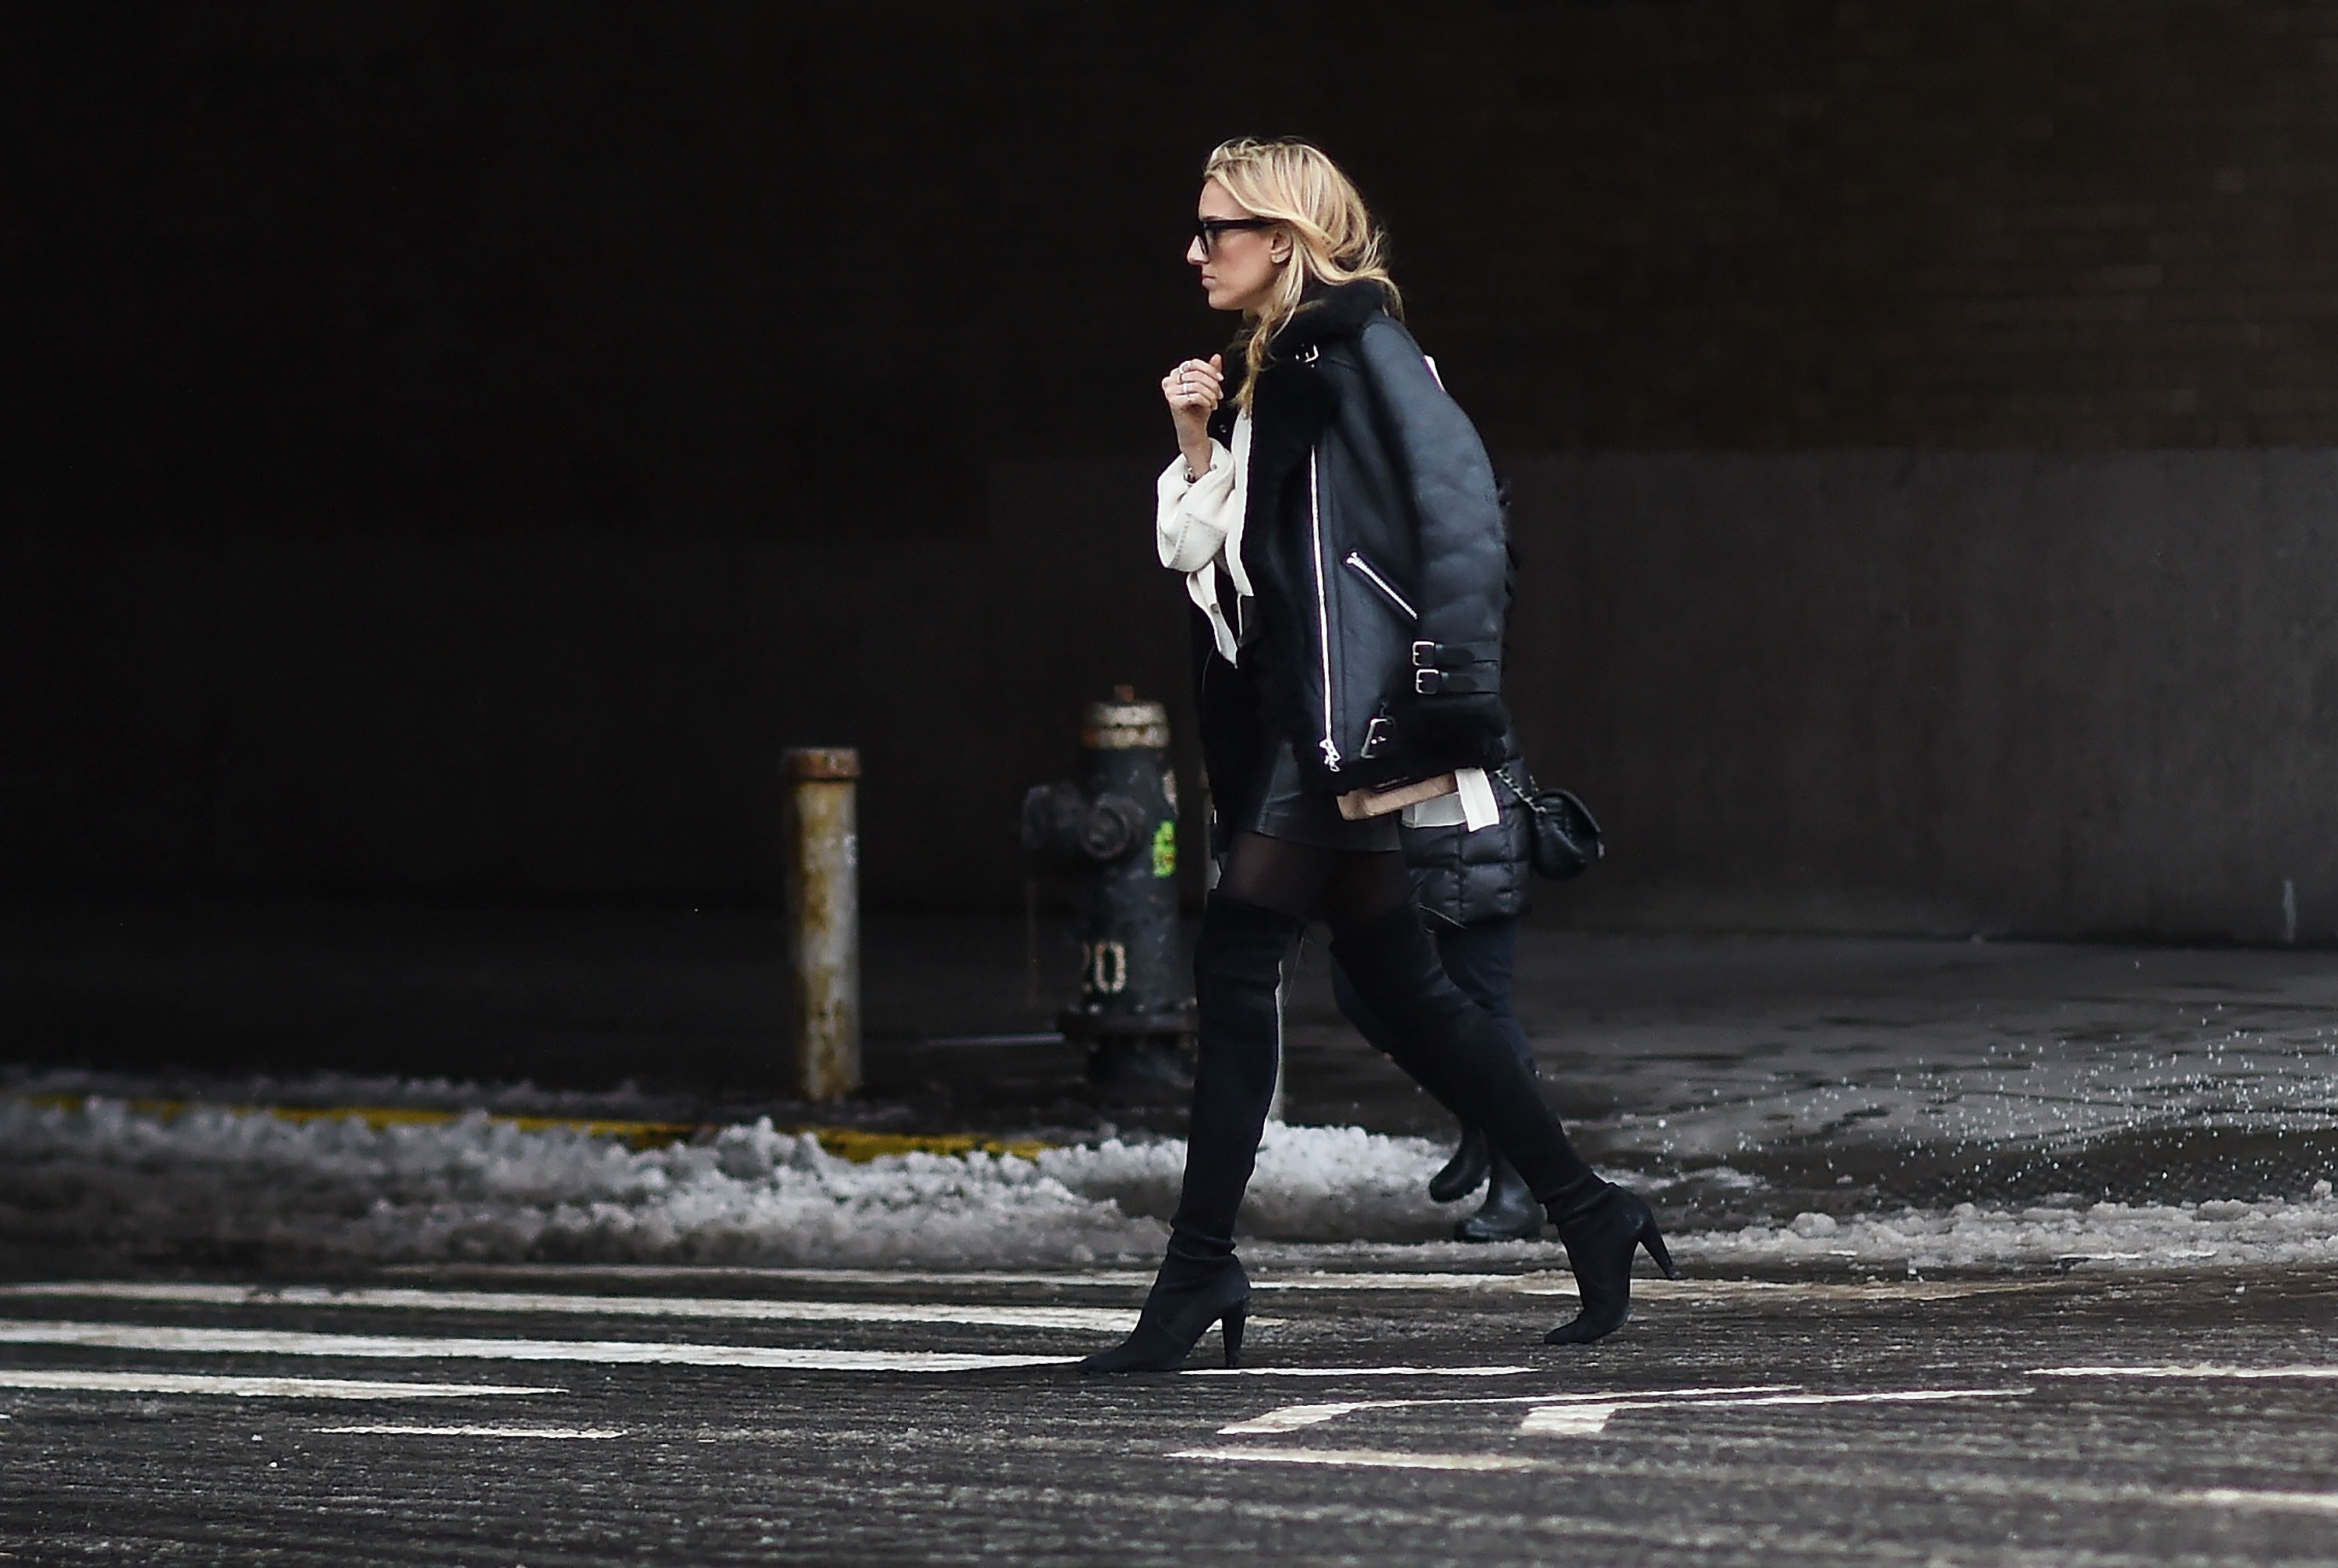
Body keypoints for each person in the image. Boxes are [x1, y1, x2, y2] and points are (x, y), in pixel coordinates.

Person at [1080, 138, 1672, 1375]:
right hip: (1301, 724)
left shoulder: (1361, 350)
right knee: (1402, 984)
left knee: (1240, 950)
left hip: (1343, 724)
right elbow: (1211, 567)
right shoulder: (1270, 374)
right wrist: (1196, 439)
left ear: (1284, 241)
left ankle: (1197, 1270)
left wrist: (1450, 691)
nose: (1195, 252)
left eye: (1217, 230)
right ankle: (1591, 1208)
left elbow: (1463, 512)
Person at [1331, 737, 1545, 1244]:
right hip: (1406, 829)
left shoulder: (1442, 656)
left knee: (1482, 1002)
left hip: (1468, 830)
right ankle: (1486, 1115)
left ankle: (1522, 1182)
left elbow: (1469, 710)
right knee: (1362, 990)